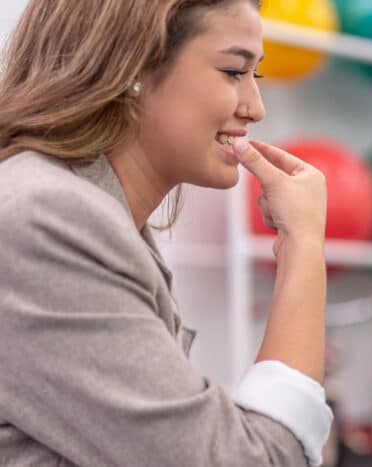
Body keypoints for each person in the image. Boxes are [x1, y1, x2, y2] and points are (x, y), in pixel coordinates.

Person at [0, 1, 333, 465]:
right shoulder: (48, 218)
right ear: (131, 68)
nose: (255, 108)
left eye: (254, 76)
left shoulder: (101, 223)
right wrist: (304, 244)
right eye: (234, 71)